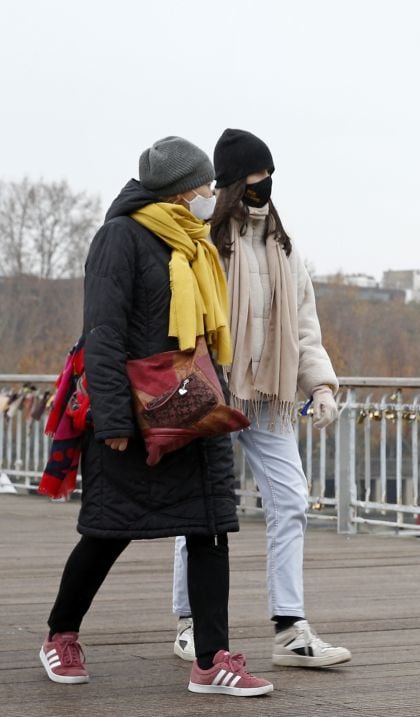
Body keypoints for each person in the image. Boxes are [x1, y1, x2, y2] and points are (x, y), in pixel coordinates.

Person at [40, 137, 272, 696]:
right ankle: (59, 635)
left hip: (193, 409)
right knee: (106, 531)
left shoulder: (195, 242)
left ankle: (211, 660)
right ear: (178, 187)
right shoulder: (119, 238)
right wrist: (115, 422)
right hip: (136, 416)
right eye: (203, 184)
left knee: (210, 529)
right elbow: (103, 333)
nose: (210, 194)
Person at [171, 128, 350, 668]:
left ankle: (290, 628)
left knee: (292, 501)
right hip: (215, 392)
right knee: (199, 509)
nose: (263, 186)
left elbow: (302, 326)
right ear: (230, 184)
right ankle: (188, 621)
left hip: (268, 397)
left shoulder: (284, 248)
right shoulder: (204, 241)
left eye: (268, 177)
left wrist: (319, 384)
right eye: (252, 179)